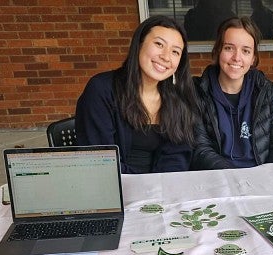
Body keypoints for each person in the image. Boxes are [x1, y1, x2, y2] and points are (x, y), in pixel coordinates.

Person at [75, 16, 197, 173]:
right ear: (139, 44)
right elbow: (101, 162)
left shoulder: (176, 98)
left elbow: (177, 155)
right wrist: (147, 185)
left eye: (175, 52)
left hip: (161, 189)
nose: (166, 57)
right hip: (116, 187)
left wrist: (161, 187)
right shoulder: (101, 89)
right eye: (159, 44)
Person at [192, 17, 273, 170]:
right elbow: (200, 149)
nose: (237, 57)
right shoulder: (198, 92)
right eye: (228, 48)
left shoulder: (268, 91)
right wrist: (235, 178)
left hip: (265, 176)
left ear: (253, 58)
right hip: (220, 177)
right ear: (218, 50)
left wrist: (269, 176)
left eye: (245, 51)